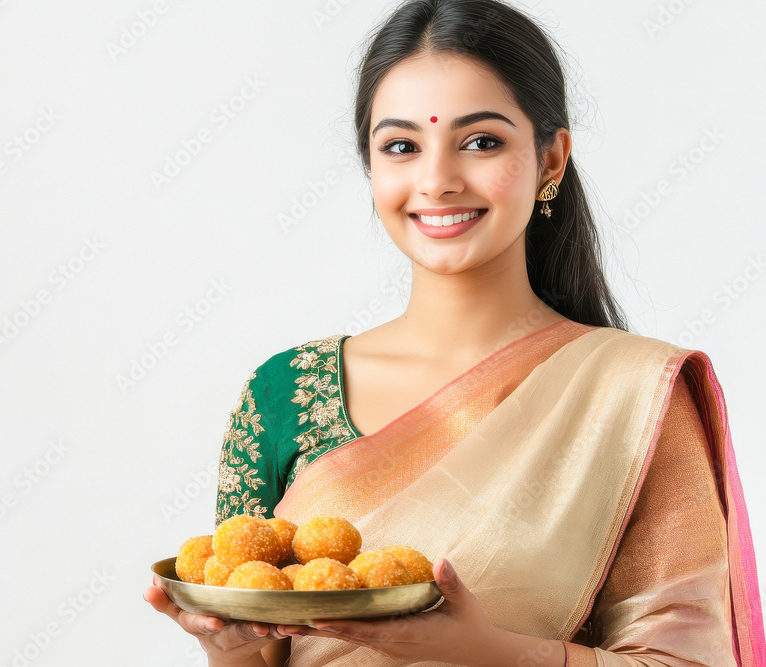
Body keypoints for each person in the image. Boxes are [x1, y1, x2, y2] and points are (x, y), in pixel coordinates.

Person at [143, 0, 766, 664]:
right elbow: (258, 642)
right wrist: (231, 644)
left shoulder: (632, 395)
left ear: (551, 159)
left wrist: (485, 648)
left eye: (480, 141)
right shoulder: (282, 394)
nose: (437, 180)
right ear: (371, 165)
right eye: (402, 146)